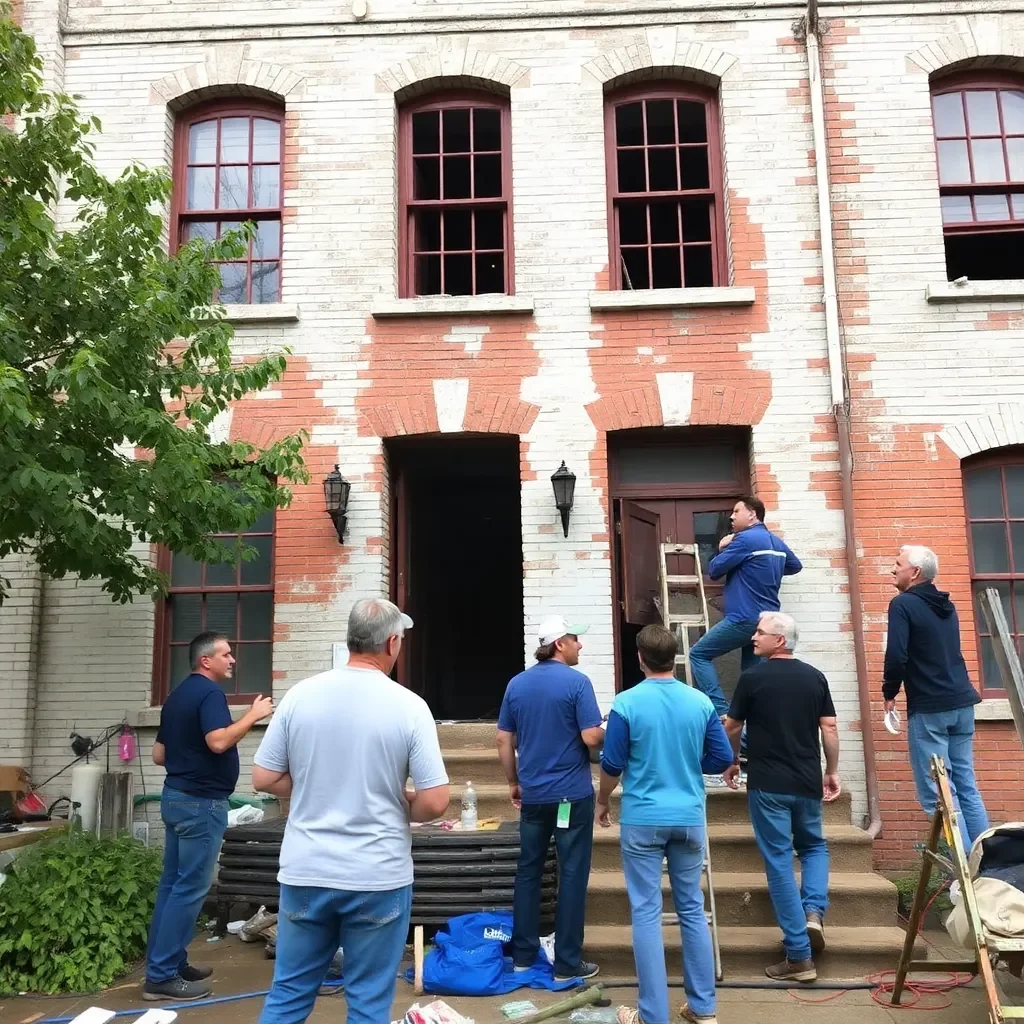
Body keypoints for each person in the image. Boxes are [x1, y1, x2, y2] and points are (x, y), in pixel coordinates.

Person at [253, 598, 449, 1024]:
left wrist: (312, 784)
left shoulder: (300, 695)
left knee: (288, 992)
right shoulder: (409, 706)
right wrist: (401, 800)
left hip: (306, 870)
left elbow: (264, 778)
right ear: (392, 642)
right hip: (376, 874)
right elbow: (434, 802)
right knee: (367, 1001)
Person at [598, 624, 734, 1024]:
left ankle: (652, 1015)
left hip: (642, 818)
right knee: (692, 908)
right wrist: (689, 764)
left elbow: (612, 763)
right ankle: (703, 1009)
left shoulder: (626, 703)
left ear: (640, 658)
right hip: (689, 817)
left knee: (645, 911)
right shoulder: (700, 702)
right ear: (673, 658)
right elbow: (720, 757)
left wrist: (602, 800)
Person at [144, 632, 273, 1001]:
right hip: (200, 805)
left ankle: (169, 963)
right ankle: (161, 977)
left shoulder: (177, 696)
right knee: (189, 890)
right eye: (226, 654)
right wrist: (252, 715)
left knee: (172, 887)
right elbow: (218, 742)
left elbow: (157, 755)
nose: (232, 660)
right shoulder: (210, 694)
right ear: (206, 661)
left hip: (176, 799)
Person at [723, 612, 839, 983]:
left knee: (778, 861)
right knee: (814, 847)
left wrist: (731, 762)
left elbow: (733, 724)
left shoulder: (753, 677)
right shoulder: (815, 677)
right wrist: (831, 770)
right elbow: (829, 727)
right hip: (806, 781)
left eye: (760, 633)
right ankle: (813, 913)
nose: (753, 638)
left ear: (781, 640)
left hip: (768, 783)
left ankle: (799, 956)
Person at [497, 615, 604, 981]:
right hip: (570, 797)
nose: (580, 645)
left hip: (534, 796)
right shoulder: (578, 683)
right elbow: (591, 738)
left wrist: (514, 781)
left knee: (528, 872)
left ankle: (523, 957)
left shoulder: (517, 684)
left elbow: (502, 739)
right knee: (572, 875)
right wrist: (610, 732)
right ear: (559, 643)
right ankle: (567, 964)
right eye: (575, 639)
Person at [884, 545, 989, 852]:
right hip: (961, 703)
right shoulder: (948, 606)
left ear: (914, 572)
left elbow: (896, 656)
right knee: (966, 786)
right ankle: (988, 865)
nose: (893, 569)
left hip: (930, 709)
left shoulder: (902, 604)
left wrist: (889, 693)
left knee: (938, 794)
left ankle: (966, 874)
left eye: (898, 564)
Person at [689, 496, 803, 717]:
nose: (731, 516)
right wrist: (765, 567)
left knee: (698, 654)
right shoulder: (775, 542)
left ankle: (721, 710)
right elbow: (794, 565)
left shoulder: (743, 540)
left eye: (736, 511)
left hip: (742, 618)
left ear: (752, 514)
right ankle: (751, 717)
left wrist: (721, 547)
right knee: (751, 672)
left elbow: (714, 571)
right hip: (765, 623)